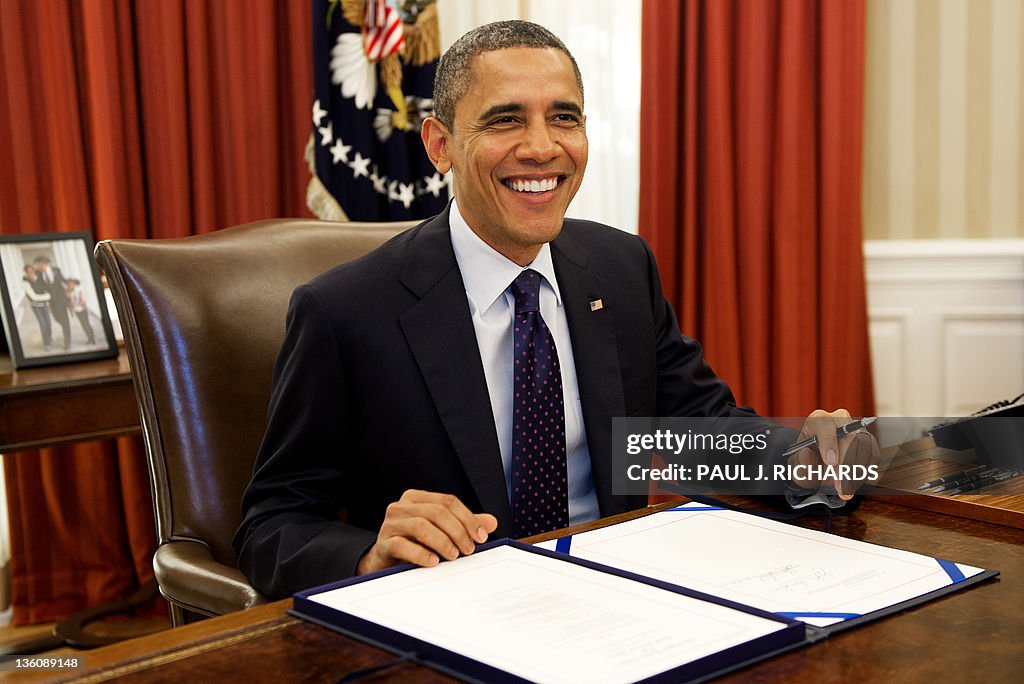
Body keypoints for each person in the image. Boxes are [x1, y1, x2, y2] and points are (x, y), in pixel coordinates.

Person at [234, 20, 878, 599]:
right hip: (454, 622)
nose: (542, 148)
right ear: (440, 145)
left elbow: (699, 430)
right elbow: (273, 524)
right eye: (505, 119)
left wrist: (800, 462)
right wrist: (369, 554)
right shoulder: (345, 310)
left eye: (564, 118)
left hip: (623, 603)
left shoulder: (622, 268)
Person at [32, 255, 71, 350]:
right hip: (51, 302)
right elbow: (38, 287)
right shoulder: (37, 273)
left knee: (65, 322)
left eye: (41, 265)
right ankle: (63, 327)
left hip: (61, 300)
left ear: (46, 264)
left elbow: (64, 281)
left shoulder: (56, 270)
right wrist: (33, 280)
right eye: (38, 266)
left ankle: (67, 342)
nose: (40, 267)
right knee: (57, 319)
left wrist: (70, 289)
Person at [21, 265, 53, 352]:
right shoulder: (25, 282)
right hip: (36, 307)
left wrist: (47, 298)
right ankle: (47, 344)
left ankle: (49, 338)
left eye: (32, 271)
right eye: (28, 272)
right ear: (26, 273)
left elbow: (46, 288)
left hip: (45, 305)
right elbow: (34, 297)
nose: (31, 273)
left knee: (49, 324)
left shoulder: (39, 278)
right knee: (43, 325)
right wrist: (48, 296)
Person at [65, 278, 97, 345]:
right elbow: (68, 303)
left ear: (74, 284)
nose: (70, 285)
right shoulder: (67, 292)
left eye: (71, 284)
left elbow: (82, 301)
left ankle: (92, 337)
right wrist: (71, 304)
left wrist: (78, 305)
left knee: (86, 323)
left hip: (82, 309)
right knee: (83, 324)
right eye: (68, 284)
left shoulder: (78, 290)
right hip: (76, 311)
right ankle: (89, 337)